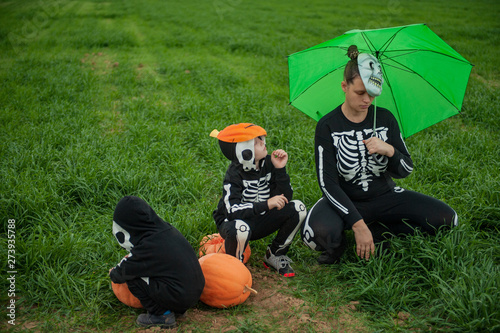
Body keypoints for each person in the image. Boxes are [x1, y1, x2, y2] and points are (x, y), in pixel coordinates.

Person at [301, 45, 458, 264]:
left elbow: (406, 169)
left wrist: (390, 150)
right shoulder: (327, 125)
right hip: (347, 198)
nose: (367, 100)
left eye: (372, 94)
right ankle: (361, 231)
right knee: (314, 236)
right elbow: (327, 183)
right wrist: (357, 224)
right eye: (360, 93)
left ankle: (375, 231)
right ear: (344, 86)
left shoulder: (384, 118)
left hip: (385, 196)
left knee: (447, 219)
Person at [210, 123, 307, 277]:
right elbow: (232, 211)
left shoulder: (269, 163)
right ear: (244, 152)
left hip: (262, 220)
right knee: (240, 228)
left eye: (261, 139)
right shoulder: (233, 174)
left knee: (298, 208)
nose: (263, 143)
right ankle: (234, 268)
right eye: (256, 142)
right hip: (235, 223)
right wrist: (266, 204)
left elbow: (285, 199)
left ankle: (275, 254)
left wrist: (280, 169)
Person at [109, 196, 205, 329]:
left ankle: (161, 316)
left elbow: (122, 273)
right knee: (148, 271)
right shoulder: (165, 230)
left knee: (133, 278)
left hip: (181, 296)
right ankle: (176, 306)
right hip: (195, 290)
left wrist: (113, 272)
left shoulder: (147, 247)